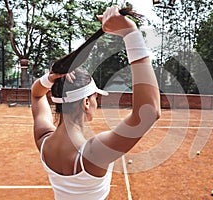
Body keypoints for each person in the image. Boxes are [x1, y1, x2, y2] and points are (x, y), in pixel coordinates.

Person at [31, 5, 161, 200]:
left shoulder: (43, 141)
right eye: (95, 98)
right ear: (85, 103)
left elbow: (36, 95)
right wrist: (131, 34)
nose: (96, 103)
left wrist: (49, 79)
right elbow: (149, 112)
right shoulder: (93, 153)